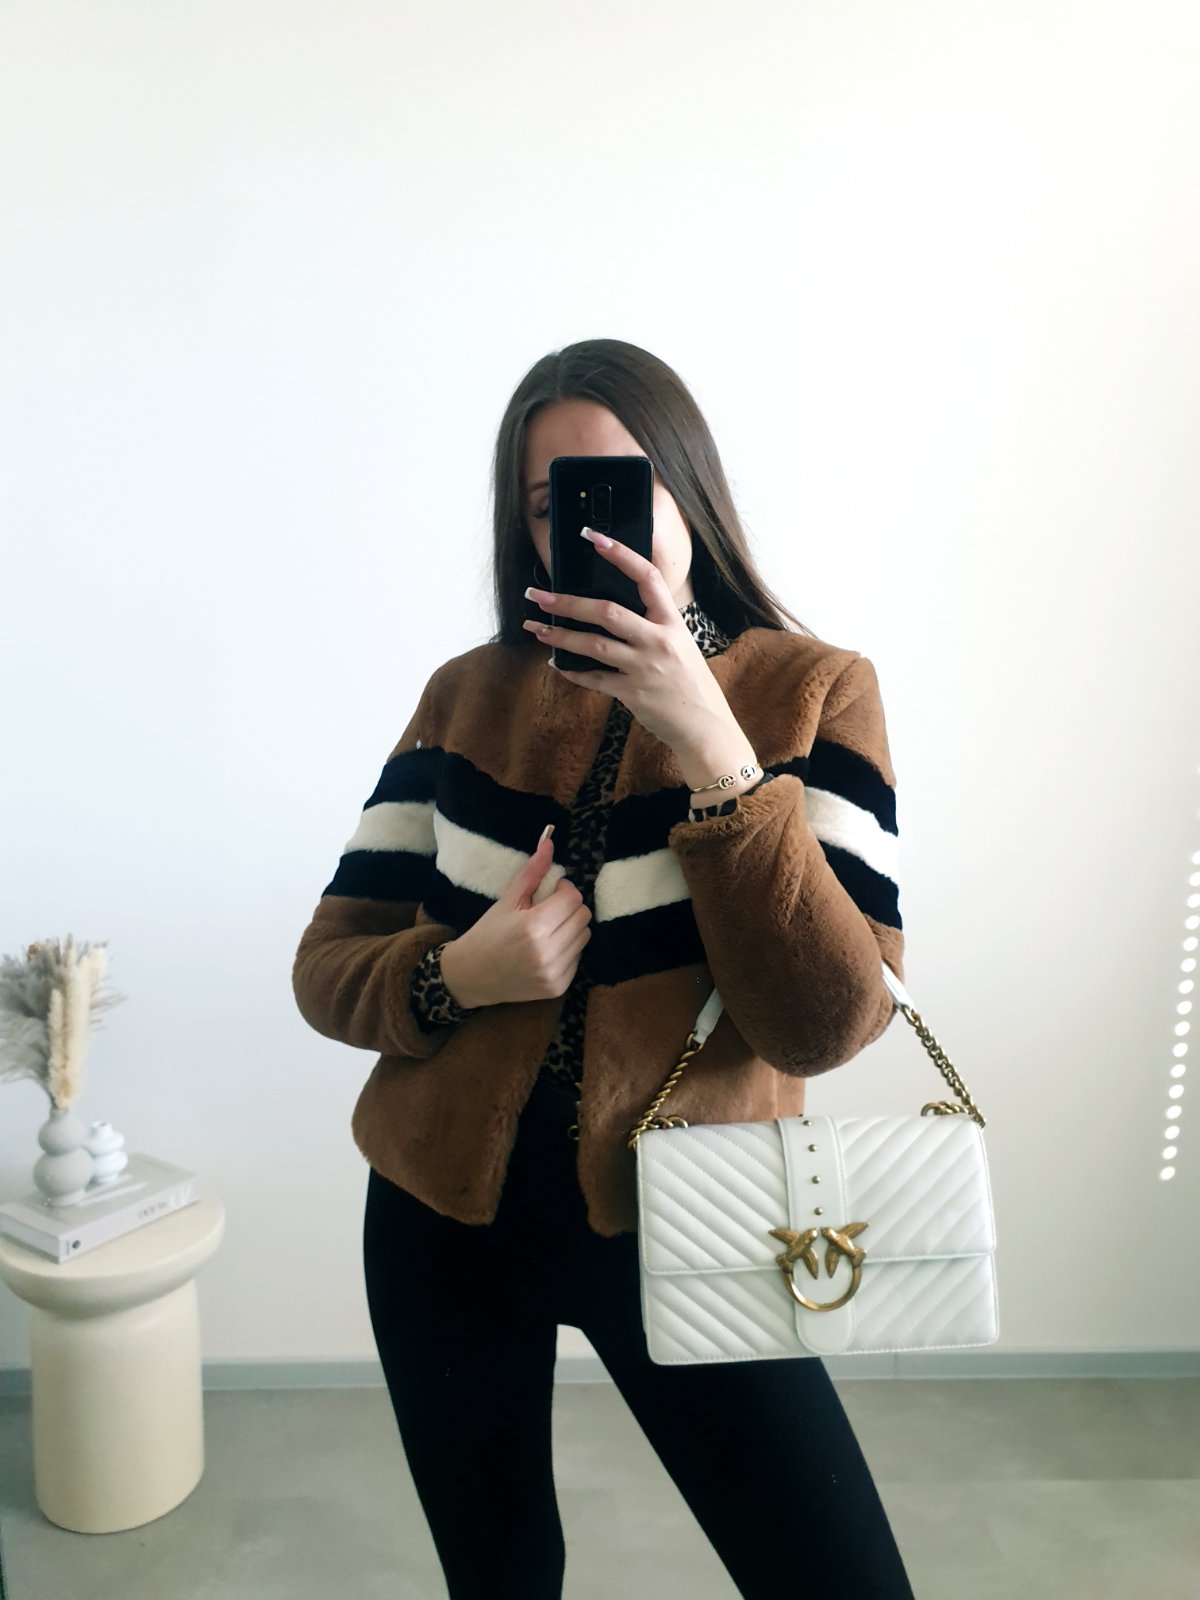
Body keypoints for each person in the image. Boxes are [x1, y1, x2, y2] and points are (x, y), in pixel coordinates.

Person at [292, 338, 915, 1598]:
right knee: (501, 1574)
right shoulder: (465, 696)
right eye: (549, 503)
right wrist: (456, 974)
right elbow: (326, 965)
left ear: (688, 489)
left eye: (622, 488)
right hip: (439, 1214)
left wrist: (716, 749)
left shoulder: (814, 694)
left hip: (699, 1222)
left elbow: (830, 1022)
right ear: (522, 529)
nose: (587, 528)